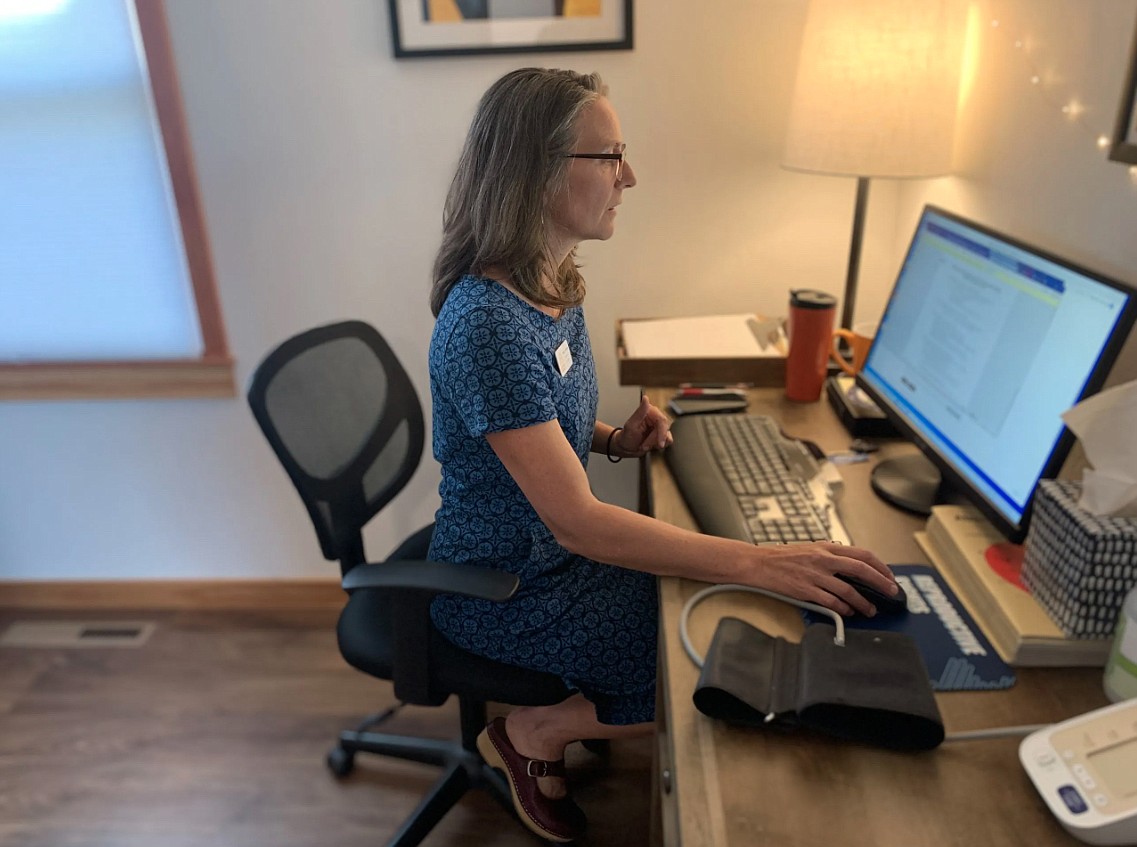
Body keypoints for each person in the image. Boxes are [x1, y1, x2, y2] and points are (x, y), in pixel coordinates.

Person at [426, 67, 899, 843]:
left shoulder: (548, 280)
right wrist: (755, 559)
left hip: (552, 557)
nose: (629, 177)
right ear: (537, 170)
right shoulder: (488, 324)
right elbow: (577, 521)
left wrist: (614, 437)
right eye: (609, 156)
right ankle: (535, 732)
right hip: (505, 583)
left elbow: (532, 423)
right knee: (709, 658)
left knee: (731, 618)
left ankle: (553, 725)